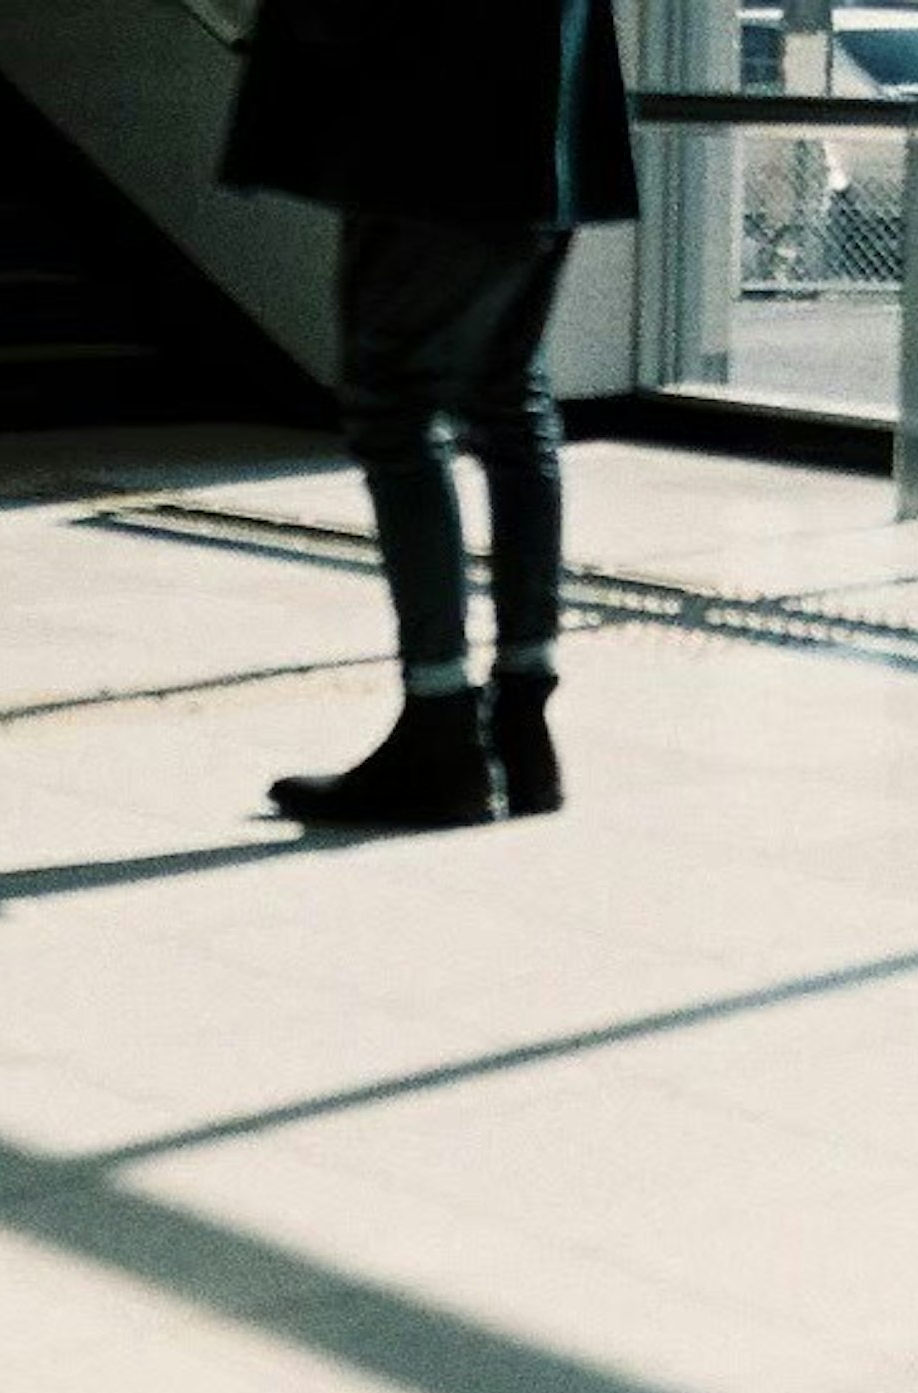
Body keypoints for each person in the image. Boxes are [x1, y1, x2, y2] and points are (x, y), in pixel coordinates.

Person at [221, 0, 640, 828]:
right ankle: (520, 719)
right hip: (544, 131)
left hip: (430, 137)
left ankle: (439, 727)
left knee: (396, 410)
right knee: (511, 404)